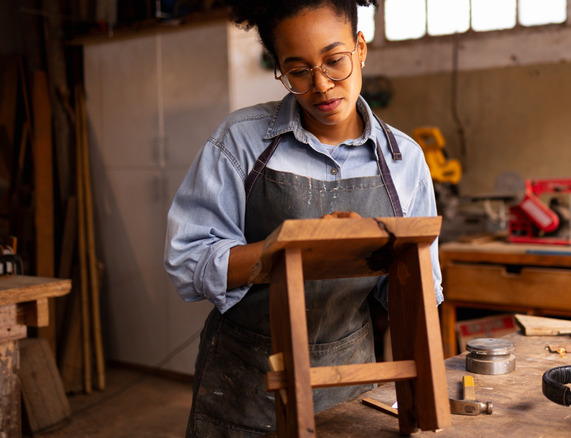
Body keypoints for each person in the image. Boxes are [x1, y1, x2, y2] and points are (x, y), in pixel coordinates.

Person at [163, 0, 443, 435]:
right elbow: (187, 259)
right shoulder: (240, 142)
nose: (322, 86)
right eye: (298, 71)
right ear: (279, 69)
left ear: (361, 48)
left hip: (350, 380)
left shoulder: (403, 158)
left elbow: (421, 288)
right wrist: (288, 248)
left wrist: (377, 249)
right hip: (248, 381)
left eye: (335, 61)